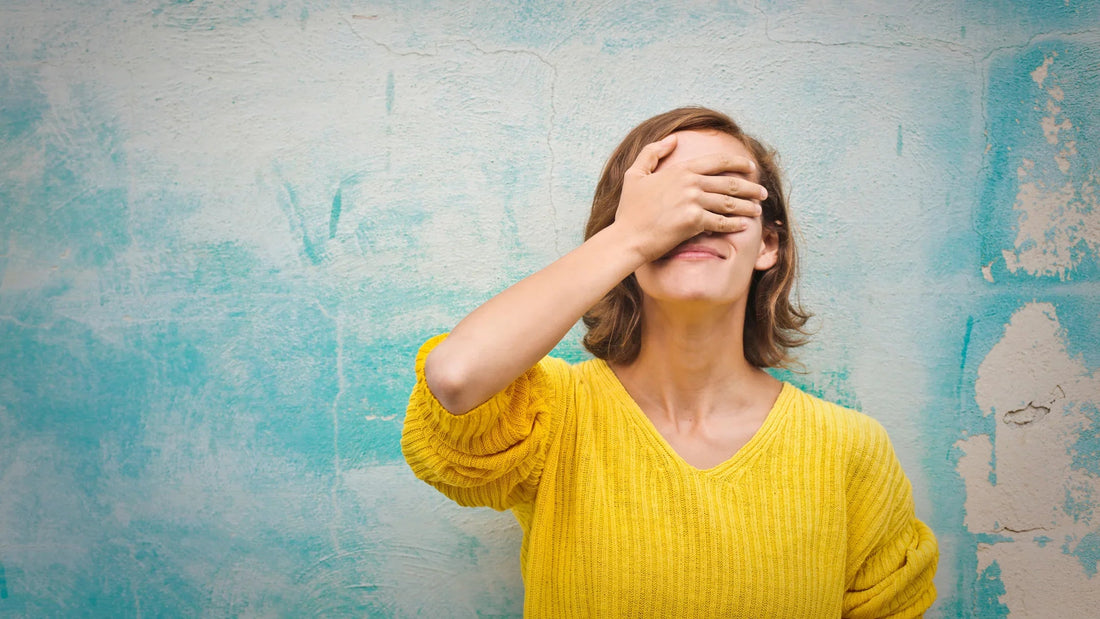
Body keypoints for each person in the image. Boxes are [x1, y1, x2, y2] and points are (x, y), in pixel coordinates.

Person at [402, 107, 938, 617]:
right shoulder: (552, 416)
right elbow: (456, 377)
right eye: (668, 201)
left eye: (725, 198)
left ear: (768, 245)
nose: (694, 220)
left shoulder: (849, 450)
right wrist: (634, 236)